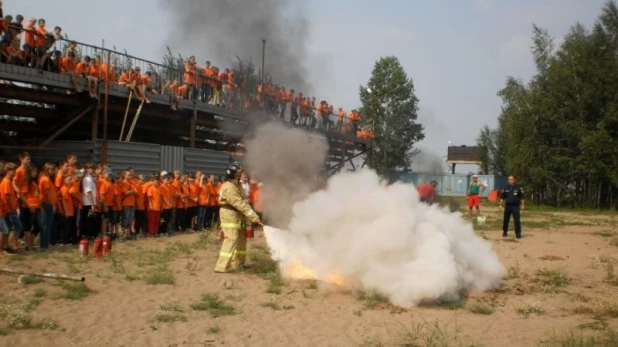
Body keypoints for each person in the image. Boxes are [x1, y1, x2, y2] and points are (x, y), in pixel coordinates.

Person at [214, 162, 262, 273]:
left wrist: (249, 215)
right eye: (238, 174)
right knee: (231, 239)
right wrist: (253, 215)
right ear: (232, 175)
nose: (240, 176)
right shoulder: (229, 187)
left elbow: (243, 201)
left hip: (238, 215)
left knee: (241, 239)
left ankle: (238, 263)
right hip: (229, 215)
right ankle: (221, 266)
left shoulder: (237, 185)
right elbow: (239, 203)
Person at [499, 175, 525, 240]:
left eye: (511, 179)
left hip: (515, 207)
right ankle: (505, 232)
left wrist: (523, 205)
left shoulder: (518, 187)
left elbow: (522, 197)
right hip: (507, 206)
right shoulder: (505, 187)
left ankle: (518, 233)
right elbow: (502, 197)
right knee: (506, 220)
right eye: (509, 179)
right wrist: (500, 205)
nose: (510, 181)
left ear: (514, 180)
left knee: (517, 221)